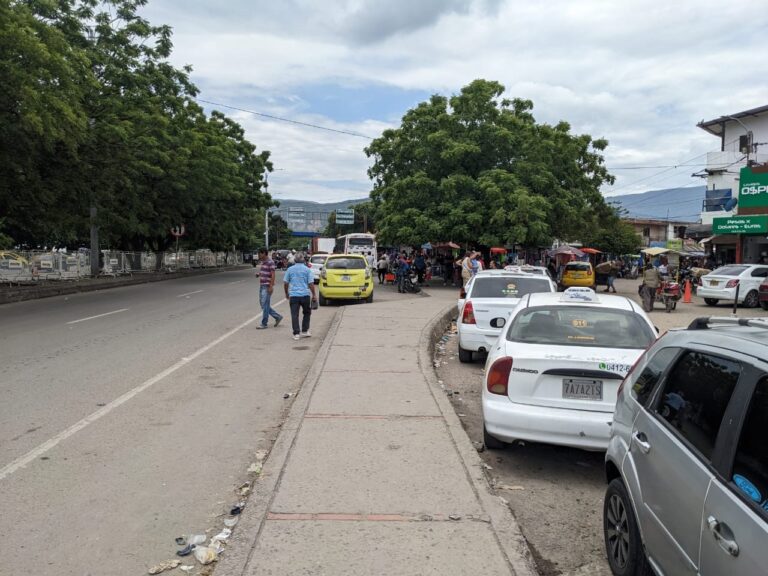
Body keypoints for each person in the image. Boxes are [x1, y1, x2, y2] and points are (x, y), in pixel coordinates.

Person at [283, 252, 316, 341]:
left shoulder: (290, 269)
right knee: (307, 313)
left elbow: (286, 283)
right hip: (305, 295)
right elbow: (311, 284)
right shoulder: (307, 270)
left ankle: (296, 333)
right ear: (303, 260)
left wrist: (286, 293)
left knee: (294, 315)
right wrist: (314, 295)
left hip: (293, 295)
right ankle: (305, 331)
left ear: (294, 260)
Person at [256, 248, 283, 329]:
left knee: (265, 305)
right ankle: (277, 317)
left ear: (264, 253)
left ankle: (264, 323)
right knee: (263, 304)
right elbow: (265, 271)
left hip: (267, 286)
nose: (258, 255)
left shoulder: (270, 262)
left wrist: (271, 286)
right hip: (262, 285)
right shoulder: (263, 262)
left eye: (259, 254)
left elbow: (273, 274)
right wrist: (259, 274)